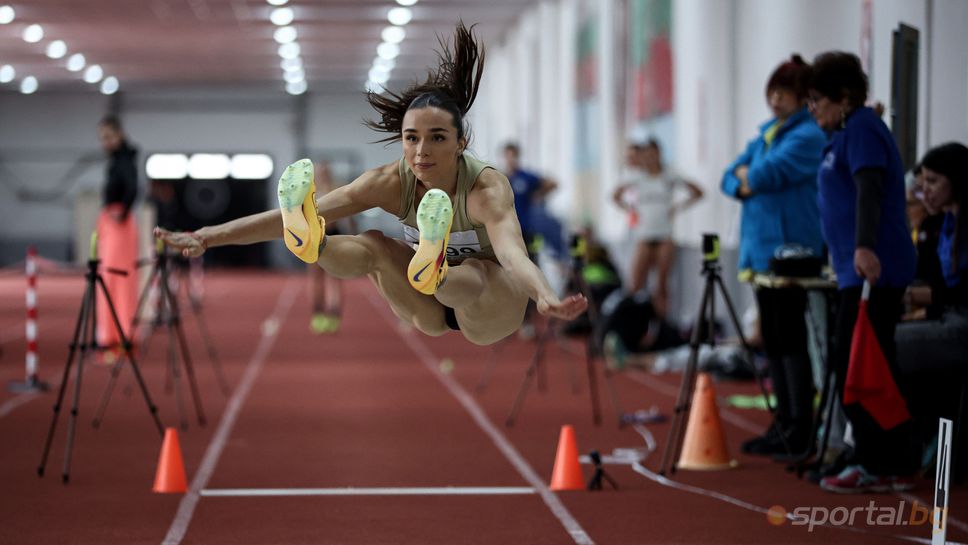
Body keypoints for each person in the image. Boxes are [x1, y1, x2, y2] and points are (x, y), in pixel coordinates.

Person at [155, 23, 587, 346]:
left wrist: (545, 294)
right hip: (427, 309)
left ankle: (434, 269)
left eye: (437, 138)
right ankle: (316, 244)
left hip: (490, 310)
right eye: (411, 138)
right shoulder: (388, 181)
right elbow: (279, 219)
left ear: (462, 142)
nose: (421, 152)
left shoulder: (485, 189)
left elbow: (512, 253)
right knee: (374, 244)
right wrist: (208, 236)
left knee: (474, 271)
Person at [806, 51, 921, 493]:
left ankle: (881, 460)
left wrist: (865, 247)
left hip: (874, 266)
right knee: (863, 363)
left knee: (859, 365)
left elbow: (869, 190)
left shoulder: (864, 130)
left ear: (843, 97)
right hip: (854, 267)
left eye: (817, 99)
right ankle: (881, 455)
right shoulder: (845, 133)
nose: (812, 108)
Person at [720, 54, 826, 458]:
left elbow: (760, 176)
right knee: (775, 339)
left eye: (785, 94)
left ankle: (801, 426)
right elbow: (729, 177)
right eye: (773, 92)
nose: (776, 100)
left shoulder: (808, 136)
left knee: (790, 338)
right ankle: (783, 421)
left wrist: (748, 178)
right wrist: (744, 179)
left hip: (793, 252)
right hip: (761, 252)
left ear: (803, 98)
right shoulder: (768, 133)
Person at [895, 143, 968, 472]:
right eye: (922, 181)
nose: (925, 190)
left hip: (961, 325)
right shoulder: (943, 223)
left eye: (934, 181)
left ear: (958, 181)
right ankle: (916, 442)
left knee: (885, 346)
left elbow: (956, 291)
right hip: (948, 319)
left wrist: (915, 298)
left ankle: (899, 450)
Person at [612, 138, 702, 317]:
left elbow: (697, 192)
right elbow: (615, 195)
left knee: (661, 286)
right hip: (644, 236)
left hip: (665, 236)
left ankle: (659, 327)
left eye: (654, 154)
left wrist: (678, 207)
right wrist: (630, 210)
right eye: (647, 155)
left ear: (659, 154)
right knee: (635, 283)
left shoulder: (670, 174)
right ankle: (634, 324)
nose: (651, 158)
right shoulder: (637, 176)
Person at [502, 142, 559, 338]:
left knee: (530, 271)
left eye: (514, 155)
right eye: (508, 156)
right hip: (507, 234)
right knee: (508, 274)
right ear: (504, 157)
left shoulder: (526, 177)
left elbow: (553, 182)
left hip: (528, 232)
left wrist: (539, 194)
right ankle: (508, 321)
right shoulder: (500, 179)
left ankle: (527, 320)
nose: (511, 159)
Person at [95, 116, 140, 357]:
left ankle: (122, 334)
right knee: (108, 280)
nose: (105, 142)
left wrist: (120, 211)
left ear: (119, 134)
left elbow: (133, 189)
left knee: (118, 280)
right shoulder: (117, 160)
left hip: (119, 224)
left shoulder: (125, 160)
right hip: (112, 222)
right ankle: (111, 333)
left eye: (108, 136)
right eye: (102, 138)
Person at [308, 160, 355, 334]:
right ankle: (318, 314)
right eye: (320, 172)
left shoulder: (337, 190)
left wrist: (352, 236)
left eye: (325, 171)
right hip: (315, 237)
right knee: (316, 277)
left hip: (333, 236)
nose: (323, 174)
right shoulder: (310, 193)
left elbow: (348, 213)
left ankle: (334, 314)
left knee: (335, 277)